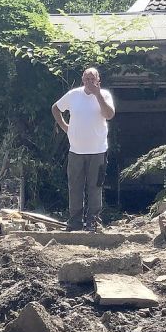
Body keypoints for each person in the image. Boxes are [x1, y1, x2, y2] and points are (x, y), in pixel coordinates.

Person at [51, 68, 116, 232]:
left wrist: (98, 95)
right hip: (76, 150)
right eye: (86, 78)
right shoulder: (74, 95)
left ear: (98, 80)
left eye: (92, 78)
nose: (89, 81)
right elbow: (56, 108)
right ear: (82, 79)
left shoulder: (105, 95)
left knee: (95, 187)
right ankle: (74, 222)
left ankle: (93, 222)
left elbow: (109, 115)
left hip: (98, 150)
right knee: (75, 187)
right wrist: (65, 127)